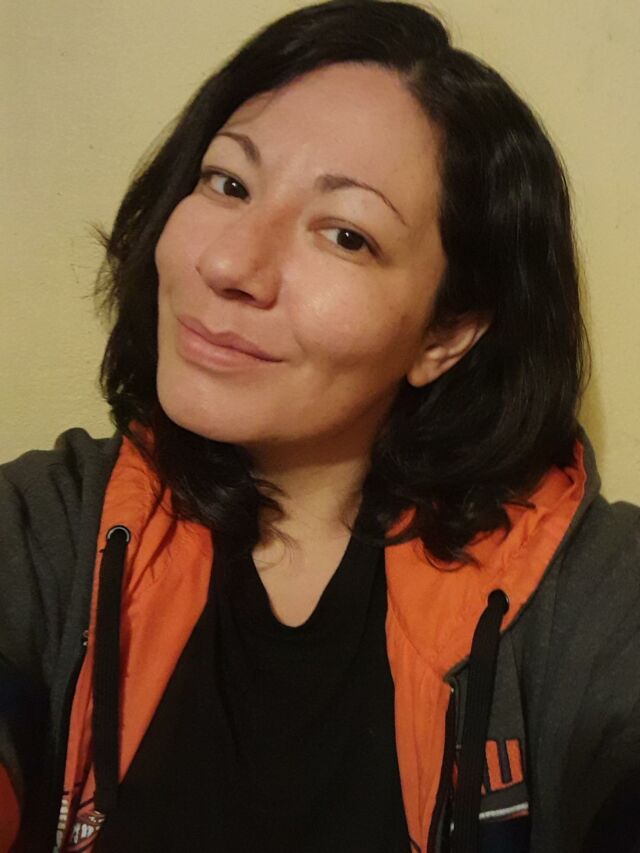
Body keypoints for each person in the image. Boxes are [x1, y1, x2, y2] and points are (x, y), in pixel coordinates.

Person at [1, 0, 639, 851]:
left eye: (344, 235)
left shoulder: (577, 592)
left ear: (446, 334)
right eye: (228, 183)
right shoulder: (55, 528)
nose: (229, 263)